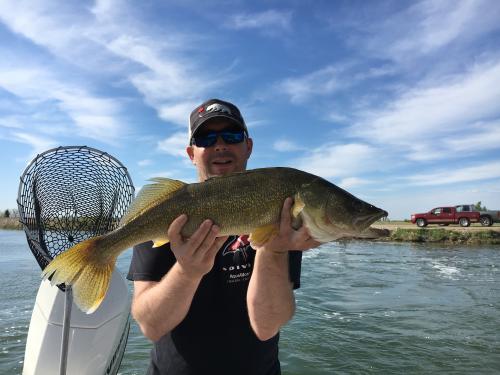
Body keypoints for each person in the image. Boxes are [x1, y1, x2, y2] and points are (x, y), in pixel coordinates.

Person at [127, 98, 320, 375]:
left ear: (248, 146)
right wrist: (187, 272)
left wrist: (273, 250)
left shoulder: (281, 217)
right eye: (206, 137)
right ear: (191, 153)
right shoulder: (166, 214)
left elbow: (266, 326)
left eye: (231, 136)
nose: (220, 145)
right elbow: (151, 326)